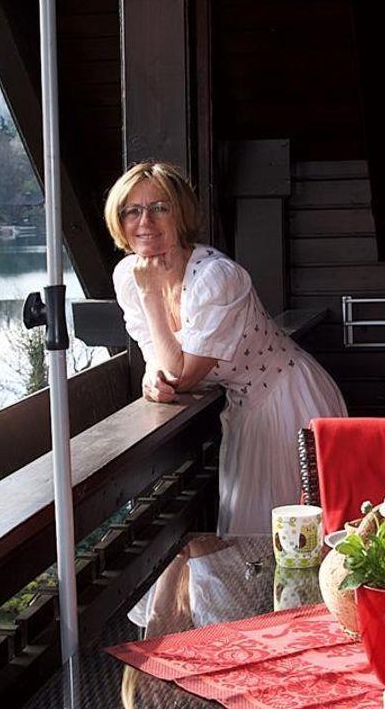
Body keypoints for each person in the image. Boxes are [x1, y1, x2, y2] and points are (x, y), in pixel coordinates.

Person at [106, 160, 346, 533]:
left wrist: (151, 296)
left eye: (159, 207)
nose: (144, 221)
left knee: (294, 536)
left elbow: (183, 376)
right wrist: (152, 378)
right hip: (246, 410)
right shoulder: (128, 275)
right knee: (253, 535)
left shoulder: (216, 277)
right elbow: (157, 358)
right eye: (131, 211)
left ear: (181, 214)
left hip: (291, 403)